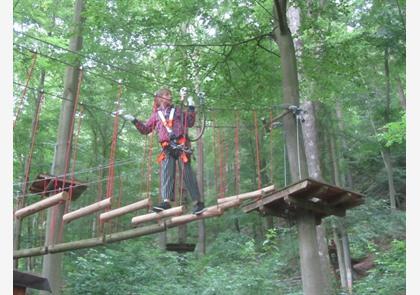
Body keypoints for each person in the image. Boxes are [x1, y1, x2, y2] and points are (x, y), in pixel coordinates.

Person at [121, 87, 205, 215]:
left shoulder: (177, 110)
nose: (170, 97)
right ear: (160, 98)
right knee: (167, 173)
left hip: (181, 145)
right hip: (167, 147)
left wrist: (191, 107)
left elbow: (190, 122)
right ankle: (166, 202)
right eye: (167, 94)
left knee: (187, 174)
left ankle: (198, 203)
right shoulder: (156, 116)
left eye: (170, 94)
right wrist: (134, 120)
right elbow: (145, 130)